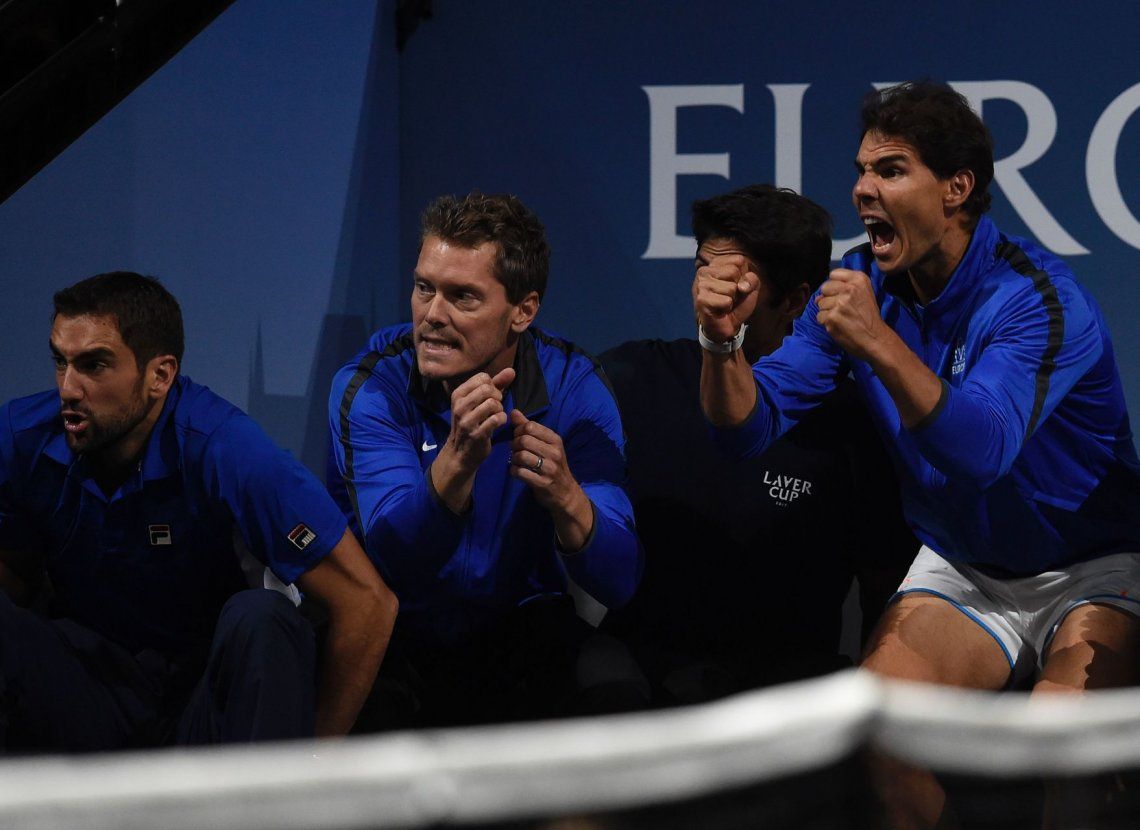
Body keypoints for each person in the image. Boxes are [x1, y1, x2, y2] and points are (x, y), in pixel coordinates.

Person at [695, 82, 1140, 826]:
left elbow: (983, 450)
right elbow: (744, 428)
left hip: (1093, 563)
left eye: (891, 170)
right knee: (884, 730)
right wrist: (721, 345)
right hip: (966, 564)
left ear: (956, 189)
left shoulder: (1038, 299)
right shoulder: (857, 282)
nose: (863, 189)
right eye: (862, 170)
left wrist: (876, 339)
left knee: (1067, 744)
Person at [0, 272, 396, 752]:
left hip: (201, 709)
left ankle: (280, 794)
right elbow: (16, 578)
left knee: (264, 617)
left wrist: (315, 759)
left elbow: (367, 603)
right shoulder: (21, 437)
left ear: (160, 376)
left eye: (94, 365)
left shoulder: (226, 447)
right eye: (60, 362)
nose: (68, 388)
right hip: (84, 694)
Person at [328, 191, 642, 728]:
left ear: (523, 311)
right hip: (396, 628)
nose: (432, 315)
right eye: (424, 288)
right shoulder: (373, 386)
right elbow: (396, 558)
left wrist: (568, 497)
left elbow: (620, 581)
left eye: (463, 297)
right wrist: (456, 462)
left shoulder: (576, 389)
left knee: (612, 680)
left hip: (519, 628)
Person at [600, 184, 915, 706]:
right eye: (704, 270)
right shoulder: (631, 378)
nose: (709, 292)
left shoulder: (855, 424)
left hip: (783, 705)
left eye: (735, 282)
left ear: (795, 300)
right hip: (641, 691)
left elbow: (883, 588)